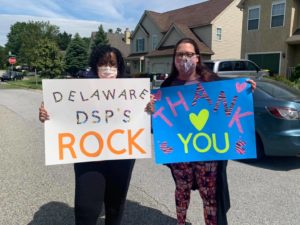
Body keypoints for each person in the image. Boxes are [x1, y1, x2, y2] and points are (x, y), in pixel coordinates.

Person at [147, 37, 256, 225]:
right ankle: (180, 221)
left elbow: (230, 99)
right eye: (180, 54)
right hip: (182, 151)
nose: (184, 58)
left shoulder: (211, 81)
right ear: (174, 59)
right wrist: (151, 108)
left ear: (197, 58)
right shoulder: (168, 86)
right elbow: (161, 117)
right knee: (182, 190)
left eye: (189, 54)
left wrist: (246, 90)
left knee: (210, 197)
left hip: (208, 152)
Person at [39, 45, 135, 225]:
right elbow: (61, 114)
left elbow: (143, 122)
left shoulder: (132, 91)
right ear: (95, 65)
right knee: (86, 210)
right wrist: (47, 114)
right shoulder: (78, 89)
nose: (108, 68)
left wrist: (149, 110)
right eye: (103, 63)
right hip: (89, 158)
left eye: (112, 64)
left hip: (122, 157)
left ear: (119, 66)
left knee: (115, 207)